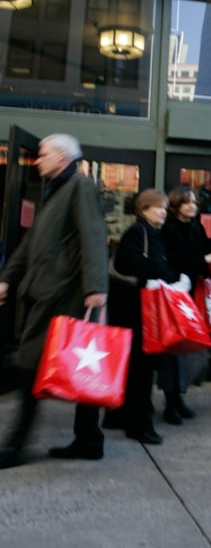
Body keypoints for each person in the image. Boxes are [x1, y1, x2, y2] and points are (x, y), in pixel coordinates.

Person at [0, 133, 108, 468]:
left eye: (44, 155)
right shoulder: (54, 192)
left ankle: (17, 446)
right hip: (46, 294)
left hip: (64, 297)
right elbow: (30, 244)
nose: (38, 160)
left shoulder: (80, 186)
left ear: (62, 157)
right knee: (72, 368)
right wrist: (6, 278)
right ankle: (89, 441)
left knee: (32, 367)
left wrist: (96, 287)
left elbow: (93, 236)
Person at [107, 188, 176, 445]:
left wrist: (170, 278)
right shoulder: (137, 233)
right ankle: (140, 425)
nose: (163, 212)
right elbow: (132, 265)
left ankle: (118, 416)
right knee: (140, 371)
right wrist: (162, 279)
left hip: (139, 311)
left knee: (134, 369)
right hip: (134, 313)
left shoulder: (152, 235)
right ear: (144, 209)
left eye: (165, 208)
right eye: (158, 207)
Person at [159, 185, 211, 423]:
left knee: (190, 350)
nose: (192, 206)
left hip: (193, 294)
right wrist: (203, 260)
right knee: (173, 351)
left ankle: (179, 398)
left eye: (194, 203)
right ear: (176, 205)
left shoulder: (197, 227)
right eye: (187, 202)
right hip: (174, 295)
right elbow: (175, 262)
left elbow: (203, 256)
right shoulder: (168, 229)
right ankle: (171, 403)